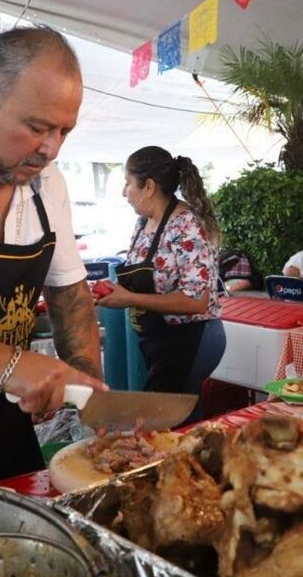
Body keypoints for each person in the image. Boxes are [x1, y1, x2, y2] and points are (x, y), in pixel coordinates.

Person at [0, 26, 106, 484]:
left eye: (63, 131)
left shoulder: (49, 185)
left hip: (7, 423)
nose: (50, 149)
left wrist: (87, 389)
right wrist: (8, 363)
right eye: (36, 127)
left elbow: (70, 299)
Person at [95, 146, 226, 422]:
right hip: (158, 342)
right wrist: (107, 290)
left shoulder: (187, 224)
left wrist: (130, 299)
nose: (123, 192)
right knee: (173, 425)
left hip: (193, 338)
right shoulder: (144, 223)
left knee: (163, 424)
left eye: (127, 183)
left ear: (149, 187)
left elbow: (196, 301)